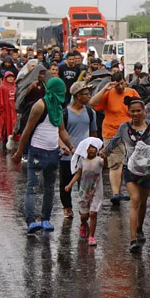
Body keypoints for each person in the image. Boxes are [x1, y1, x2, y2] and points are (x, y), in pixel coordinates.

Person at [105, 96, 150, 253]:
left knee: (142, 203)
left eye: (138, 111)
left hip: (148, 171)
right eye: (132, 111)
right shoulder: (124, 128)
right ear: (128, 112)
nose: (135, 114)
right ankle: (133, 238)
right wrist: (103, 152)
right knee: (135, 200)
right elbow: (114, 141)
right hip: (130, 170)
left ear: (144, 111)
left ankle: (139, 228)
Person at [12, 78, 75, 234]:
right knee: (32, 188)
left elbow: (61, 131)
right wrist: (19, 152)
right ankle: (31, 221)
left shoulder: (58, 107)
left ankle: (46, 219)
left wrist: (71, 146)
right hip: (37, 152)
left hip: (53, 153)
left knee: (49, 188)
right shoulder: (40, 106)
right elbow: (27, 130)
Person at [89, 72, 140, 205]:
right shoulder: (108, 93)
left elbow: (140, 109)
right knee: (115, 164)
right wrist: (105, 89)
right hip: (111, 133)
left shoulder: (132, 92)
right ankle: (115, 193)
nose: (120, 87)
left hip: (129, 133)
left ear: (125, 82)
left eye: (122, 83)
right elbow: (92, 103)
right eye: (117, 84)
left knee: (126, 163)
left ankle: (119, 191)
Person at [60, 81, 98, 219]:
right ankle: (67, 207)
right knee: (65, 182)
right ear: (77, 96)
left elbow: (93, 132)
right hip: (68, 155)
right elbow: (60, 132)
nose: (89, 97)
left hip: (85, 156)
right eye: (86, 94)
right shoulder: (64, 112)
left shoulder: (90, 112)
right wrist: (64, 147)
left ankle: (84, 207)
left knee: (85, 183)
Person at [65, 138, 105, 246]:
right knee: (84, 215)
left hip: (96, 191)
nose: (91, 150)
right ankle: (83, 223)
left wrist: (105, 155)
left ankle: (91, 236)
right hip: (84, 191)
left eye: (93, 148)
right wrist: (70, 185)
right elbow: (78, 174)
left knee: (93, 213)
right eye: (89, 148)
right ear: (85, 150)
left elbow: (106, 162)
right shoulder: (82, 161)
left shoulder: (99, 160)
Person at [0, 72, 17, 149]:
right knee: (5, 125)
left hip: (14, 110)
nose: (11, 78)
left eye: (12, 77)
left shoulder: (16, 86)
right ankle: (5, 139)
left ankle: (13, 139)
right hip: (5, 110)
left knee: (14, 124)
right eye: (9, 77)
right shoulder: (2, 87)